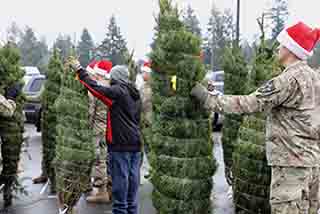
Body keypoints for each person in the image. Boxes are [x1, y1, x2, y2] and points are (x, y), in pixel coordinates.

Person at [191, 22, 320, 213]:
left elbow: (249, 103)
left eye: (282, 44)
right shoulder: (314, 77)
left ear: (291, 49)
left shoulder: (287, 80)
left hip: (290, 168)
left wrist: (206, 98)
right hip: (312, 164)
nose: (278, 48)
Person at [69, 58, 142, 214]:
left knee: (120, 182)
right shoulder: (134, 92)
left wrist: (80, 71)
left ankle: (120, 210)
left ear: (116, 78)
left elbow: (96, 89)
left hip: (120, 144)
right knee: (133, 180)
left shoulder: (118, 92)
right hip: (135, 143)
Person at [86, 60, 113, 203]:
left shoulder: (96, 89)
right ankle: (110, 187)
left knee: (99, 160)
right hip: (109, 128)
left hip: (97, 129)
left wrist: (86, 129)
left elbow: (91, 112)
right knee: (108, 158)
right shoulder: (111, 86)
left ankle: (101, 191)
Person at [139, 62, 152, 181]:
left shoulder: (154, 86)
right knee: (146, 148)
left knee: (152, 148)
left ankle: (155, 170)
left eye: (144, 72)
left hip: (151, 122)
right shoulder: (143, 86)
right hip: (143, 122)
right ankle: (152, 169)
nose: (142, 74)